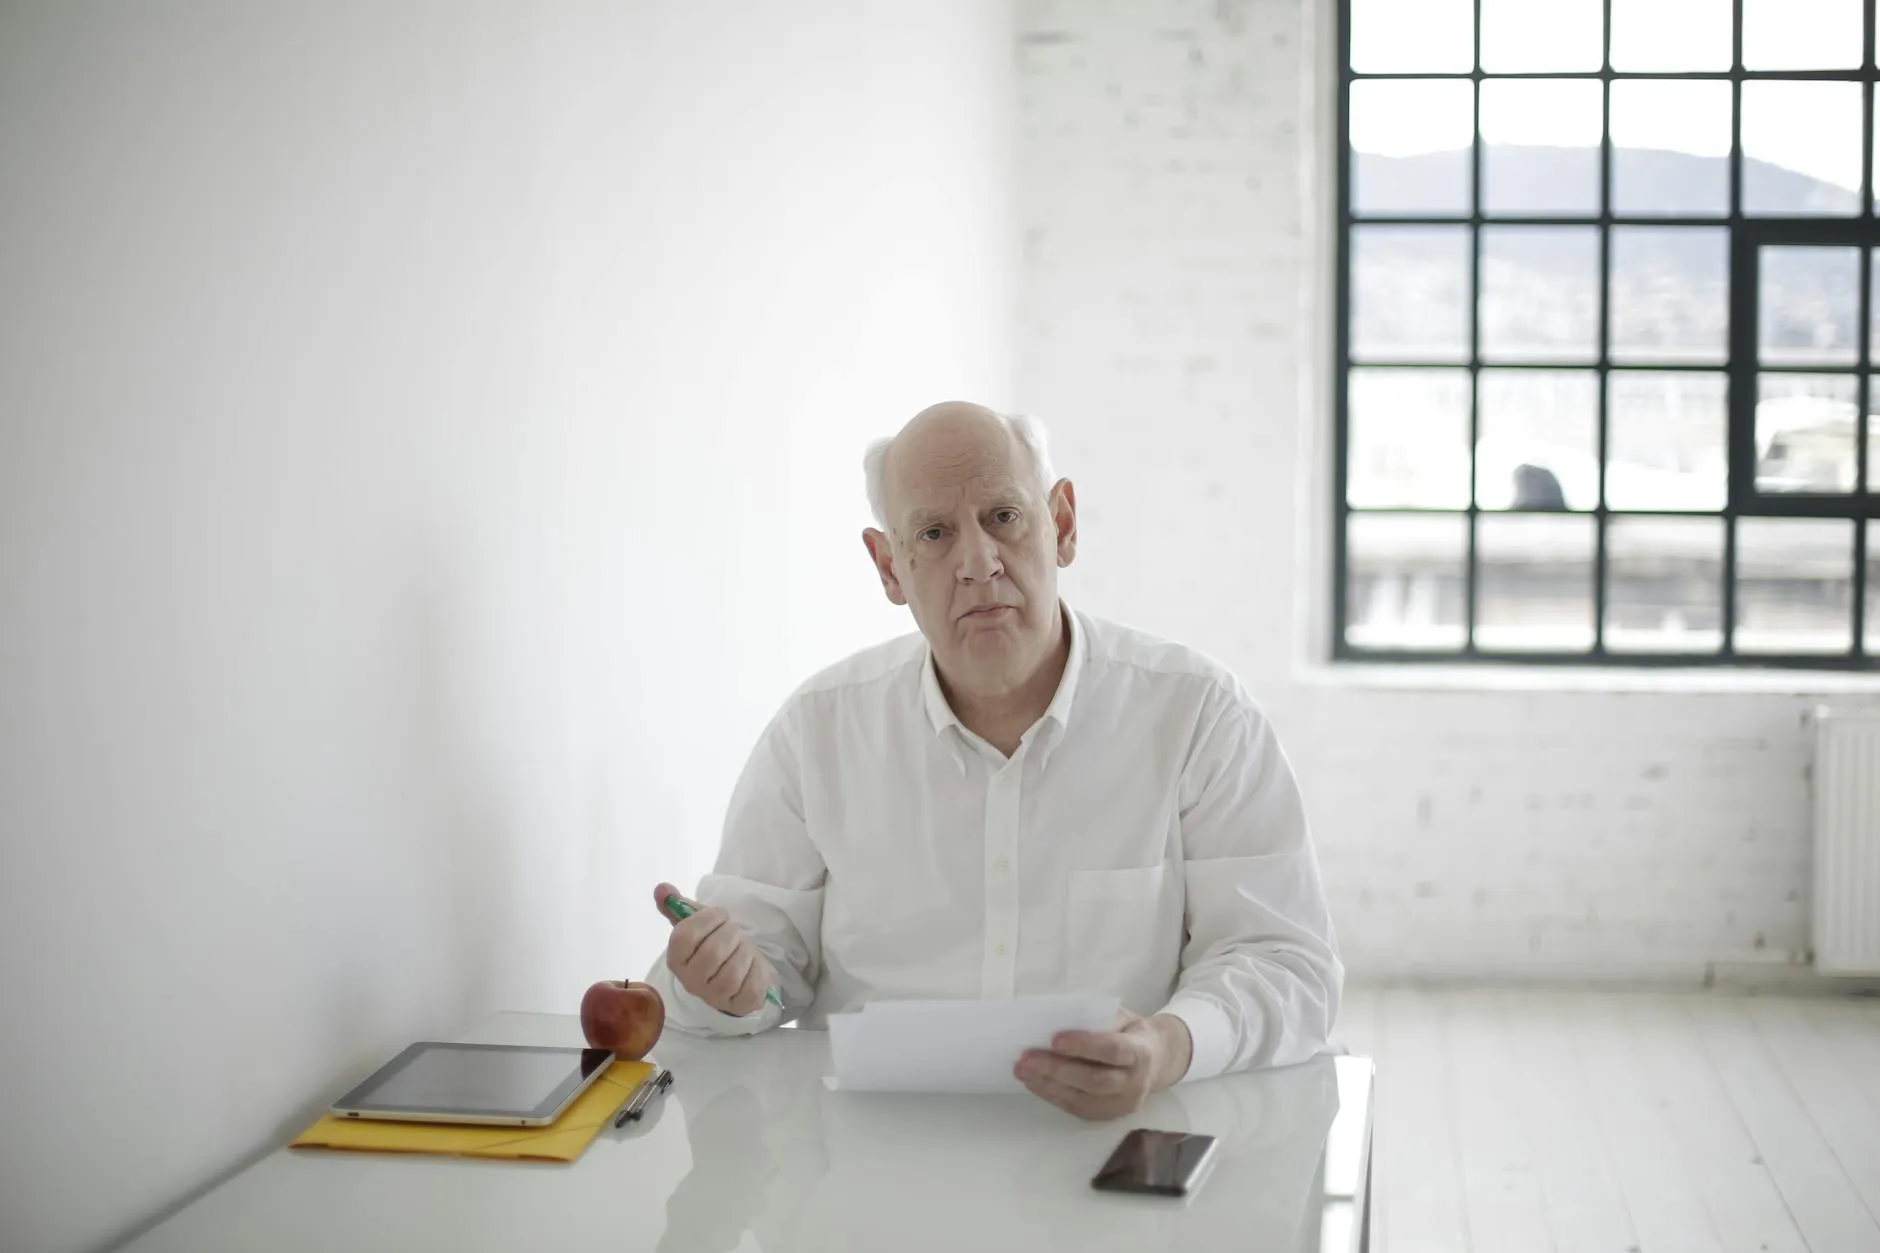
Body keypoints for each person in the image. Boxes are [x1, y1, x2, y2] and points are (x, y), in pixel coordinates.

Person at [642, 401, 1341, 1121]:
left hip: (1116, 1156)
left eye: (1004, 517)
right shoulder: (817, 732)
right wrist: (723, 985)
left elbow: (1286, 963)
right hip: (869, 1175)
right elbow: (760, 979)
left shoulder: (1198, 715)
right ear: (889, 566)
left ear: (1062, 524)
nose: (977, 563)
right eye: (935, 533)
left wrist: (1168, 1046)